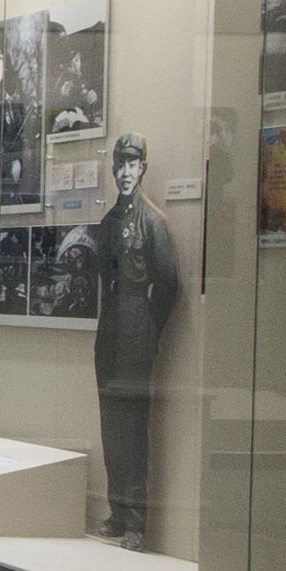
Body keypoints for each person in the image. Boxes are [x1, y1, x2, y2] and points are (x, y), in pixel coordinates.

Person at [82, 133, 186, 546]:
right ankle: (118, 511)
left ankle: (137, 523)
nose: (125, 172)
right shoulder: (109, 222)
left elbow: (169, 283)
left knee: (134, 426)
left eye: (132, 164)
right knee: (111, 423)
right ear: (113, 169)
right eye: (120, 165)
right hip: (109, 328)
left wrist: (149, 331)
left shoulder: (153, 221)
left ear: (142, 168)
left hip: (137, 325)